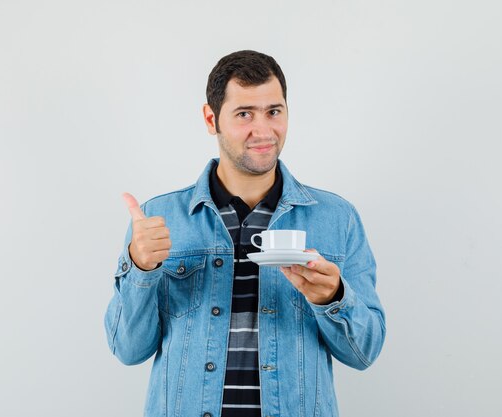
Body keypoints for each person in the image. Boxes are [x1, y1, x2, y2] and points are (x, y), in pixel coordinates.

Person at [104, 50, 386, 417]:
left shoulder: (337, 218)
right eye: (244, 115)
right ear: (211, 118)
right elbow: (128, 349)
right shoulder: (159, 218)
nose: (264, 130)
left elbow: (364, 353)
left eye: (274, 111)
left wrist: (333, 296)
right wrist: (140, 268)